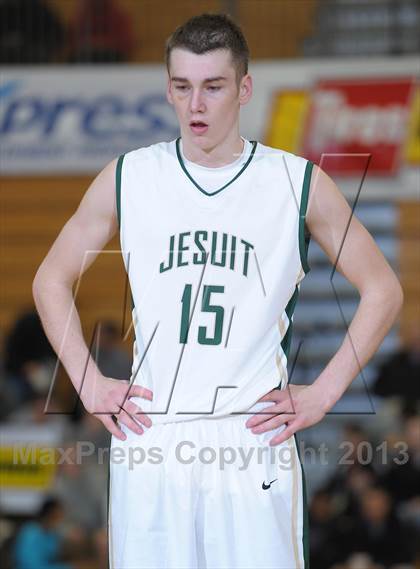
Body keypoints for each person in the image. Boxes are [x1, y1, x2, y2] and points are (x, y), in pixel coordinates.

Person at [32, 13, 404, 569]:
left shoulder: (296, 181)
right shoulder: (129, 175)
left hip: (250, 438)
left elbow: (383, 289)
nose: (196, 105)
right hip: (153, 436)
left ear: (244, 88)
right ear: (168, 89)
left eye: (213, 86)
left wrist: (324, 393)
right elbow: (49, 280)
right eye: (182, 87)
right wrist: (88, 383)